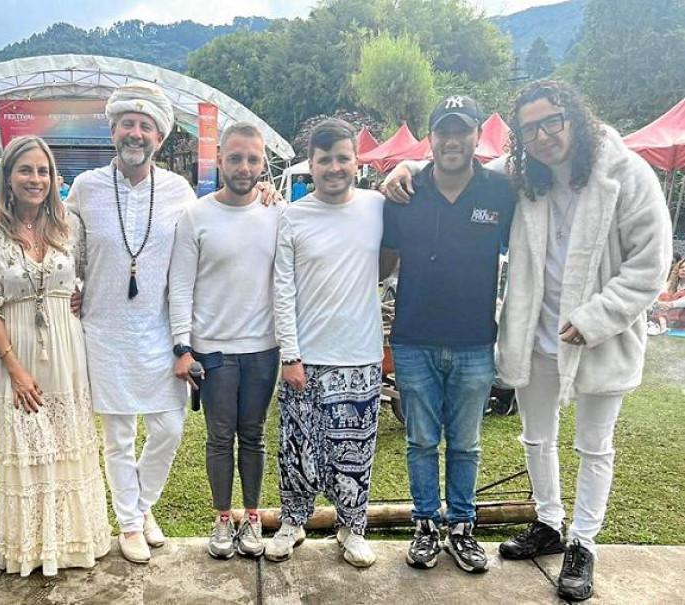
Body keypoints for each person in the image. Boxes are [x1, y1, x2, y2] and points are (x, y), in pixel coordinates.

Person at [383, 79, 672, 601]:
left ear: (575, 118)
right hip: (537, 330)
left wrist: (598, 316)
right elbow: (459, 167)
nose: (542, 135)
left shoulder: (626, 173)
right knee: (536, 436)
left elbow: (651, 264)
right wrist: (405, 169)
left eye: (551, 122)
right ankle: (548, 522)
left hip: (599, 334)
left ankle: (582, 542)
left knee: (593, 444)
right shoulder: (523, 177)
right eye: (530, 127)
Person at [381, 96, 516, 574]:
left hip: (475, 341)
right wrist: (397, 170)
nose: (453, 140)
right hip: (414, 337)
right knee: (420, 441)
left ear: (477, 136)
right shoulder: (405, 191)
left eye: (462, 131)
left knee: (466, 443)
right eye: (443, 131)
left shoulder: (501, 191)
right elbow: (383, 262)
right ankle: (425, 525)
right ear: (431, 138)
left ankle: (461, 527)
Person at [64, 82, 196, 564]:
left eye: (145, 126)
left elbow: (199, 248)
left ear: (159, 137)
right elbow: (62, 243)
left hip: (161, 330)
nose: (135, 133)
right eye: (127, 124)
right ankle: (129, 521)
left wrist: (266, 194)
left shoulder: (181, 192)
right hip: (104, 328)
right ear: (113, 129)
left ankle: (141, 506)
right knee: (118, 436)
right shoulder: (86, 187)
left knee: (169, 427)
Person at [0, 135, 111, 577]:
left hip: (68, 349)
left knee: (68, 442)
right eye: (25, 170)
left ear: (54, 179)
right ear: (8, 178)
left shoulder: (67, 227)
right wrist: (14, 368)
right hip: (17, 352)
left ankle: (73, 541)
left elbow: (90, 277)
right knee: (30, 445)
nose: (35, 179)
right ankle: (32, 547)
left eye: (43, 171)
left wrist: (79, 295)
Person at [266, 118, 384, 568]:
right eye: (324, 160)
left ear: (356, 162)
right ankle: (293, 522)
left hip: (361, 354)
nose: (334, 167)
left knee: (355, 450)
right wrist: (290, 355)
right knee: (297, 448)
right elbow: (283, 290)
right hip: (307, 357)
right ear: (310, 165)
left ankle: (352, 528)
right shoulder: (292, 215)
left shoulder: (377, 206)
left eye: (342, 158)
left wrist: (404, 172)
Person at [168, 122, 282, 560]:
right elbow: (180, 285)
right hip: (212, 349)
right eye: (235, 157)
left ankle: (251, 519)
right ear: (220, 159)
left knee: (252, 435)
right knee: (219, 437)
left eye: (253, 159)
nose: (244, 167)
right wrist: (183, 346)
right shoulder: (196, 216)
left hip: (261, 348)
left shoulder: (275, 213)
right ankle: (221, 518)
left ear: (262, 164)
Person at [650, 259, 685, 334]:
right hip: (668, 314)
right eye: (681, 267)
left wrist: (670, 304)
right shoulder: (671, 283)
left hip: (681, 316)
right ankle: (663, 322)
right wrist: (658, 303)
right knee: (665, 295)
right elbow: (658, 294)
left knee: (679, 295)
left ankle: (662, 323)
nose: (683, 270)